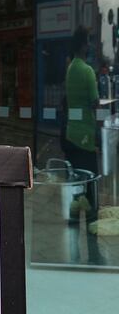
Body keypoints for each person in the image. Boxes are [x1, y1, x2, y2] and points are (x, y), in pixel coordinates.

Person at [62, 28, 103, 264]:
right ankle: (93, 245)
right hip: (85, 135)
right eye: (88, 43)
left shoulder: (70, 68)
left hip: (71, 134)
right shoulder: (86, 70)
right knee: (91, 191)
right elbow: (95, 103)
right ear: (84, 46)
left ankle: (73, 243)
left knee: (75, 188)